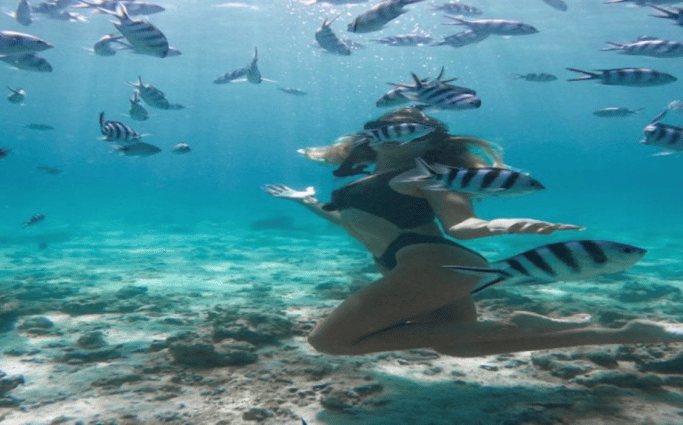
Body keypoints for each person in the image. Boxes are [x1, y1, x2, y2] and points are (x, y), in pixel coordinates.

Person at [263, 107, 682, 357]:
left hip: (432, 266)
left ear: (428, 144)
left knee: (329, 342)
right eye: (386, 126)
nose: (397, 135)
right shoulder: (353, 186)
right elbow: (356, 226)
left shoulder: (426, 177)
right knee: (457, 343)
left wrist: (507, 224)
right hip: (417, 269)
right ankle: (611, 334)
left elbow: (463, 225)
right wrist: (307, 203)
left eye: (413, 131)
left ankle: (573, 331)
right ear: (369, 138)